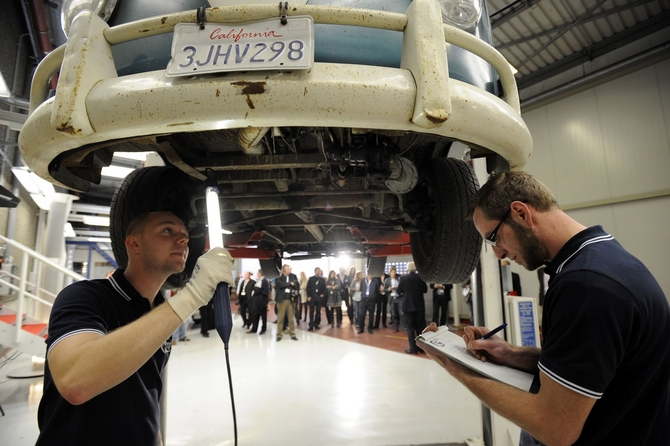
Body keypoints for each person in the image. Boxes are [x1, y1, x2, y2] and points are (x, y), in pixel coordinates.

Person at [425, 171, 670, 445]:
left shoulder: (587, 286)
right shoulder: (601, 259)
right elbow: (588, 365)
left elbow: (555, 428)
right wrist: (510, 354)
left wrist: (455, 365)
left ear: (520, 213)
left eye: (493, 238)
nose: (498, 253)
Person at [36, 212, 234, 445]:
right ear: (134, 243)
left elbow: (145, 388)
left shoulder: (161, 310)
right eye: (168, 231)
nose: (183, 240)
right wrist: (192, 296)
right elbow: (75, 382)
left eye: (185, 236)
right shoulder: (85, 296)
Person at [397, 262, 427, 354]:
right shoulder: (421, 278)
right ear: (415, 269)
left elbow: (398, 291)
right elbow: (425, 290)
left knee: (410, 329)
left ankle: (413, 349)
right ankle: (421, 348)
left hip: (408, 306)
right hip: (419, 306)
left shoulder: (403, 278)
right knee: (420, 328)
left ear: (408, 269)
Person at [274, 264, 299, 341]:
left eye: (290, 269)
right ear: (284, 271)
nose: (290, 270)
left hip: (290, 300)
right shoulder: (278, 277)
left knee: (291, 318)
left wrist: (294, 288)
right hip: (281, 300)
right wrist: (290, 284)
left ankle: (292, 334)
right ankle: (279, 334)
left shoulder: (293, 276)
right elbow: (280, 285)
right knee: (280, 318)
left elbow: (296, 284)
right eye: (288, 269)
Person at [247, 269, 270, 334]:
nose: (257, 273)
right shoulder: (258, 280)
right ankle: (254, 329)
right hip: (256, 302)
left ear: (260, 273)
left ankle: (263, 329)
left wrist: (258, 290)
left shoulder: (264, 281)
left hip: (262, 302)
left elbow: (266, 291)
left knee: (263, 316)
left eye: (257, 272)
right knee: (255, 315)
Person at [385, 267, 402, 332]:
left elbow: (402, 287)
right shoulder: (387, 280)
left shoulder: (399, 279)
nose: (394, 273)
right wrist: (389, 289)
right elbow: (385, 289)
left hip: (399, 298)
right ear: (390, 273)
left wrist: (398, 288)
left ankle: (404, 327)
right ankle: (395, 327)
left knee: (401, 313)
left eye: (395, 272)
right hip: (392, 299)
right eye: (392, 272)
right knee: (394, 313)